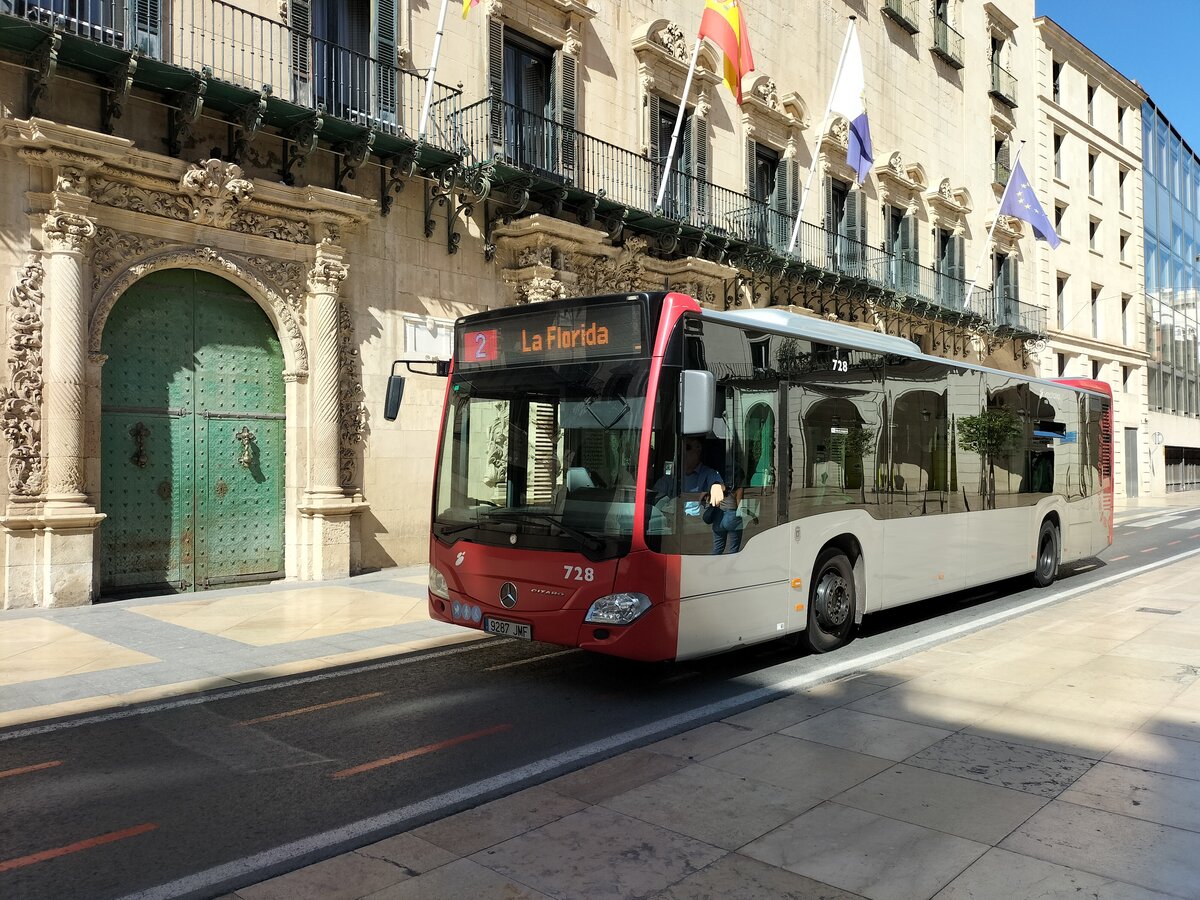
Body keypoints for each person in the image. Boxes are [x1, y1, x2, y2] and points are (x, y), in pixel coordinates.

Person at [653, 437, 723, 519]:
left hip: (696, 524)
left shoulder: (708, 473)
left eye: (687, 447)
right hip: (671, 521)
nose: (682, 452)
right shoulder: (671, 476)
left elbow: (719, 484)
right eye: (680, 448)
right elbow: (655, 496)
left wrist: (717, 486)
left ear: (698, 449)